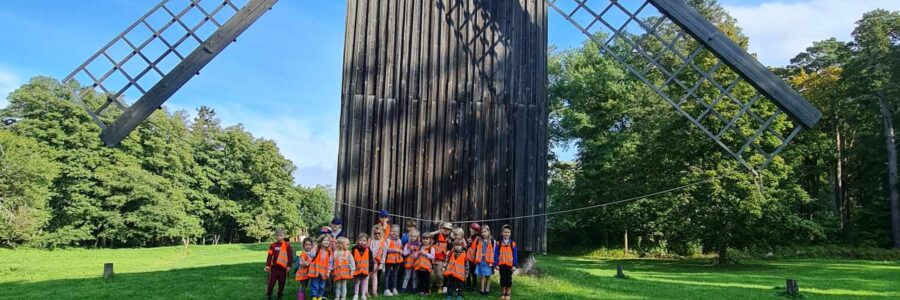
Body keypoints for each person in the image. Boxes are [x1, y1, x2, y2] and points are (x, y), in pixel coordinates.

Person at [265, 228, 293, 300]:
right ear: (275, 236)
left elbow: (290, 256)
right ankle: (269, 294)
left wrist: (289, 266)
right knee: (271, 283)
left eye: (281, 235)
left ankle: (280, 295)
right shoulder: (273, 245)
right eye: (277, 235)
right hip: (274, 268)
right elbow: (269, 256)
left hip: (283, 268)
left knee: (282, 283)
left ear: (284, 235)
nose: (279, 237)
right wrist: (268, 265)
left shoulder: (287, 245)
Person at [494, 225, 518, 300]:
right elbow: (496, 254)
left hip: (510, 265)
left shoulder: (512, 244)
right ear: (502, 233)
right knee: (502, 278)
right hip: (501, 264)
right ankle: (503, 291)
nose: (506, 234)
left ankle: (508, 292)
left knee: (509, 278)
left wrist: (514, 265)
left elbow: (515, 255)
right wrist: (496, 264)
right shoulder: (499, 243)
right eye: (505, 232)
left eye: (508, 232)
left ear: (510, 233)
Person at [428, 222, 452, 294]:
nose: (446, 230)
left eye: (448, 229)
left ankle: (440, 287)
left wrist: (446, 260)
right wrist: (438, 231)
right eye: (444, 228)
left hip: (441, 259)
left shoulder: (449, 239)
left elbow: (449, 250)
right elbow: (428, 235)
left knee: (439, 274)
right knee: (431, 274)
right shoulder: (437, 235)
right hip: (431, 258)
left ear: (450, 230)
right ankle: (429, 287)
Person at [307, 235, 333, 300]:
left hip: (324, 272)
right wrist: (315, 247)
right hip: (315, 271)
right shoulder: (316, 249)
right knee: (315, 284)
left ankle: (320, 296)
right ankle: (314, 296)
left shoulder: (329, 251)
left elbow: (330, 262)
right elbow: (311, 255)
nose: (326, 242)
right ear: (320, 242)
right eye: (324, 240)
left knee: (322, 285)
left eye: (328, 240)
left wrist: (329, 271)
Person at [472, 225, 496, 295]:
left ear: (489, 232)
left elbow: (494, 251)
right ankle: (482, 290)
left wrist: (493, 261)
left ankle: (487, 289)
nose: (483, 233)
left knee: (488, 275)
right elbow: (477, 250)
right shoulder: (479, 241)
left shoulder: (492, 241)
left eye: (485, 231)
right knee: (482, 275)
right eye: (482, 232)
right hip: (481, 260)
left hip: (489, 261)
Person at [382, 225, 403, 296]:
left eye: (396, 231)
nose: (394, 233)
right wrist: (395, 250)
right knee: (387, 274)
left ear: (398, 232)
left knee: (395, 274)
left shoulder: (399, 240)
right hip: (389, 259)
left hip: (397, 259)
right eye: (393, 231)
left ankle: (394, 288)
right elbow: (386, 249)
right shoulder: (387, 239)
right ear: (390, 231)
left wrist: (400, 251)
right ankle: (386, 289)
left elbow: (400, 248)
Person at [352, 233, 373, 300]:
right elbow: (351, 259)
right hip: (356, 269)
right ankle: (356, 295)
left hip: (365, 269)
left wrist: (370, 269)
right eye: (361, 240)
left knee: (364, 282)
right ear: (358, 240)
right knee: (357, 281)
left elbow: (371, 260)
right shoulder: (354, 248)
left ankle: (363, 294)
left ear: (367, 241)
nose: (362, 242)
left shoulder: (368, 249)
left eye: (364, 240)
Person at [368, 224, 386, 297]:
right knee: (368, 277)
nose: (377, 235)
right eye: (375, 233)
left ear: (382, 233)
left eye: (379, 233)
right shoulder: (370, 241)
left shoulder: (383, 243)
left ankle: (374, 291)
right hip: (369, 261)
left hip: (376, 262)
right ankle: (366, 291)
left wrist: (381, 264)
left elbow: (384, 255)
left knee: (375, 276)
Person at [465, 223, 481, 291]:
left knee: (474, 274)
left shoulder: (478, 239)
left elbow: (478, 250)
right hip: (466, 259)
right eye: (472, 229)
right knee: (467, 273)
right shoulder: (465, 237)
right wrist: (467, 243)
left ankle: (474, 286)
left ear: (477, 232)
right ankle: (468, 285)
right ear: (469, 228)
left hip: (473, 259)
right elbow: (464, 247)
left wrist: (476, 259)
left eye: (475, 230)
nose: (473, 231)